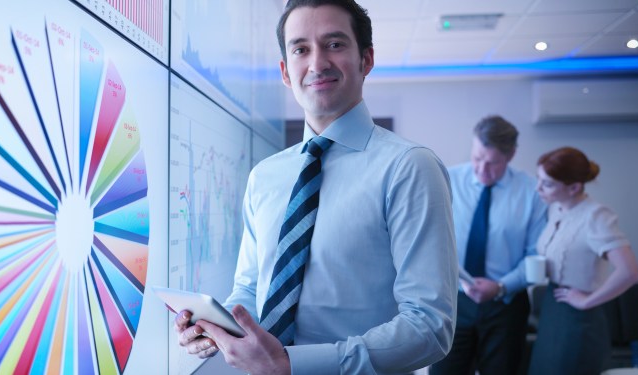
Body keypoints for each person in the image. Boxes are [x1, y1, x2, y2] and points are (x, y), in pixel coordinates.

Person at [174, 0, 458, 373]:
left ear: (366, 59)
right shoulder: (265, 176)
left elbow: (430, 327)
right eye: (301, 49)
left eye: (335, 44)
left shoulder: (409, 168)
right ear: (286, 72)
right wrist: (218, 327)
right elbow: (249, 288)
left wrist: (293, 364)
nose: (317, 63)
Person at [431, 116, 548, 375]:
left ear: (511, 155)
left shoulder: (532, 192)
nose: (482, 169)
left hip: (505, 306)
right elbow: (431, 239)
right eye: (476, 158)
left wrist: (501, 287)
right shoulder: (446, 180)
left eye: (492, 163)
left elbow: (536, 254)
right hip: (452, 301)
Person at [527, 147, 638, 375]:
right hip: (552, 305)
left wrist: (587, 301)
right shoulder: (556, 209)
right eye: (539, 179)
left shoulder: (596, 216)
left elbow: (629, 272)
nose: (538, 188)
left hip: (579, 316)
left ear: (574, 187)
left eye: (547, 183)